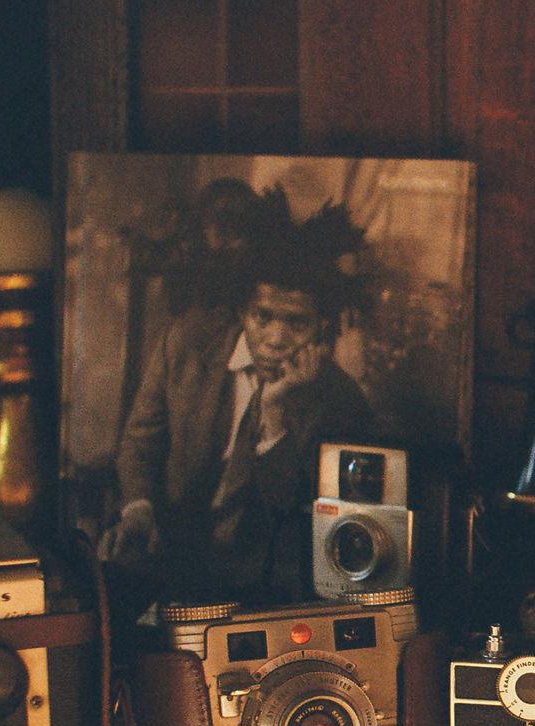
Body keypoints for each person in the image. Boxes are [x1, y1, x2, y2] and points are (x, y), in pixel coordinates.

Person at [99, 196, 378, 601]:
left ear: (323, 325)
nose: (275, 339)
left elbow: (292, 513)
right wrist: (138, 509)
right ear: (241, 311)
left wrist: (275, 411)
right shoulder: (185, 345)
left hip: (261, 583)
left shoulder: (341, 401)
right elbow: (140, 443)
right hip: (167, 552)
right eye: (262, 316)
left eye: (297, 322)